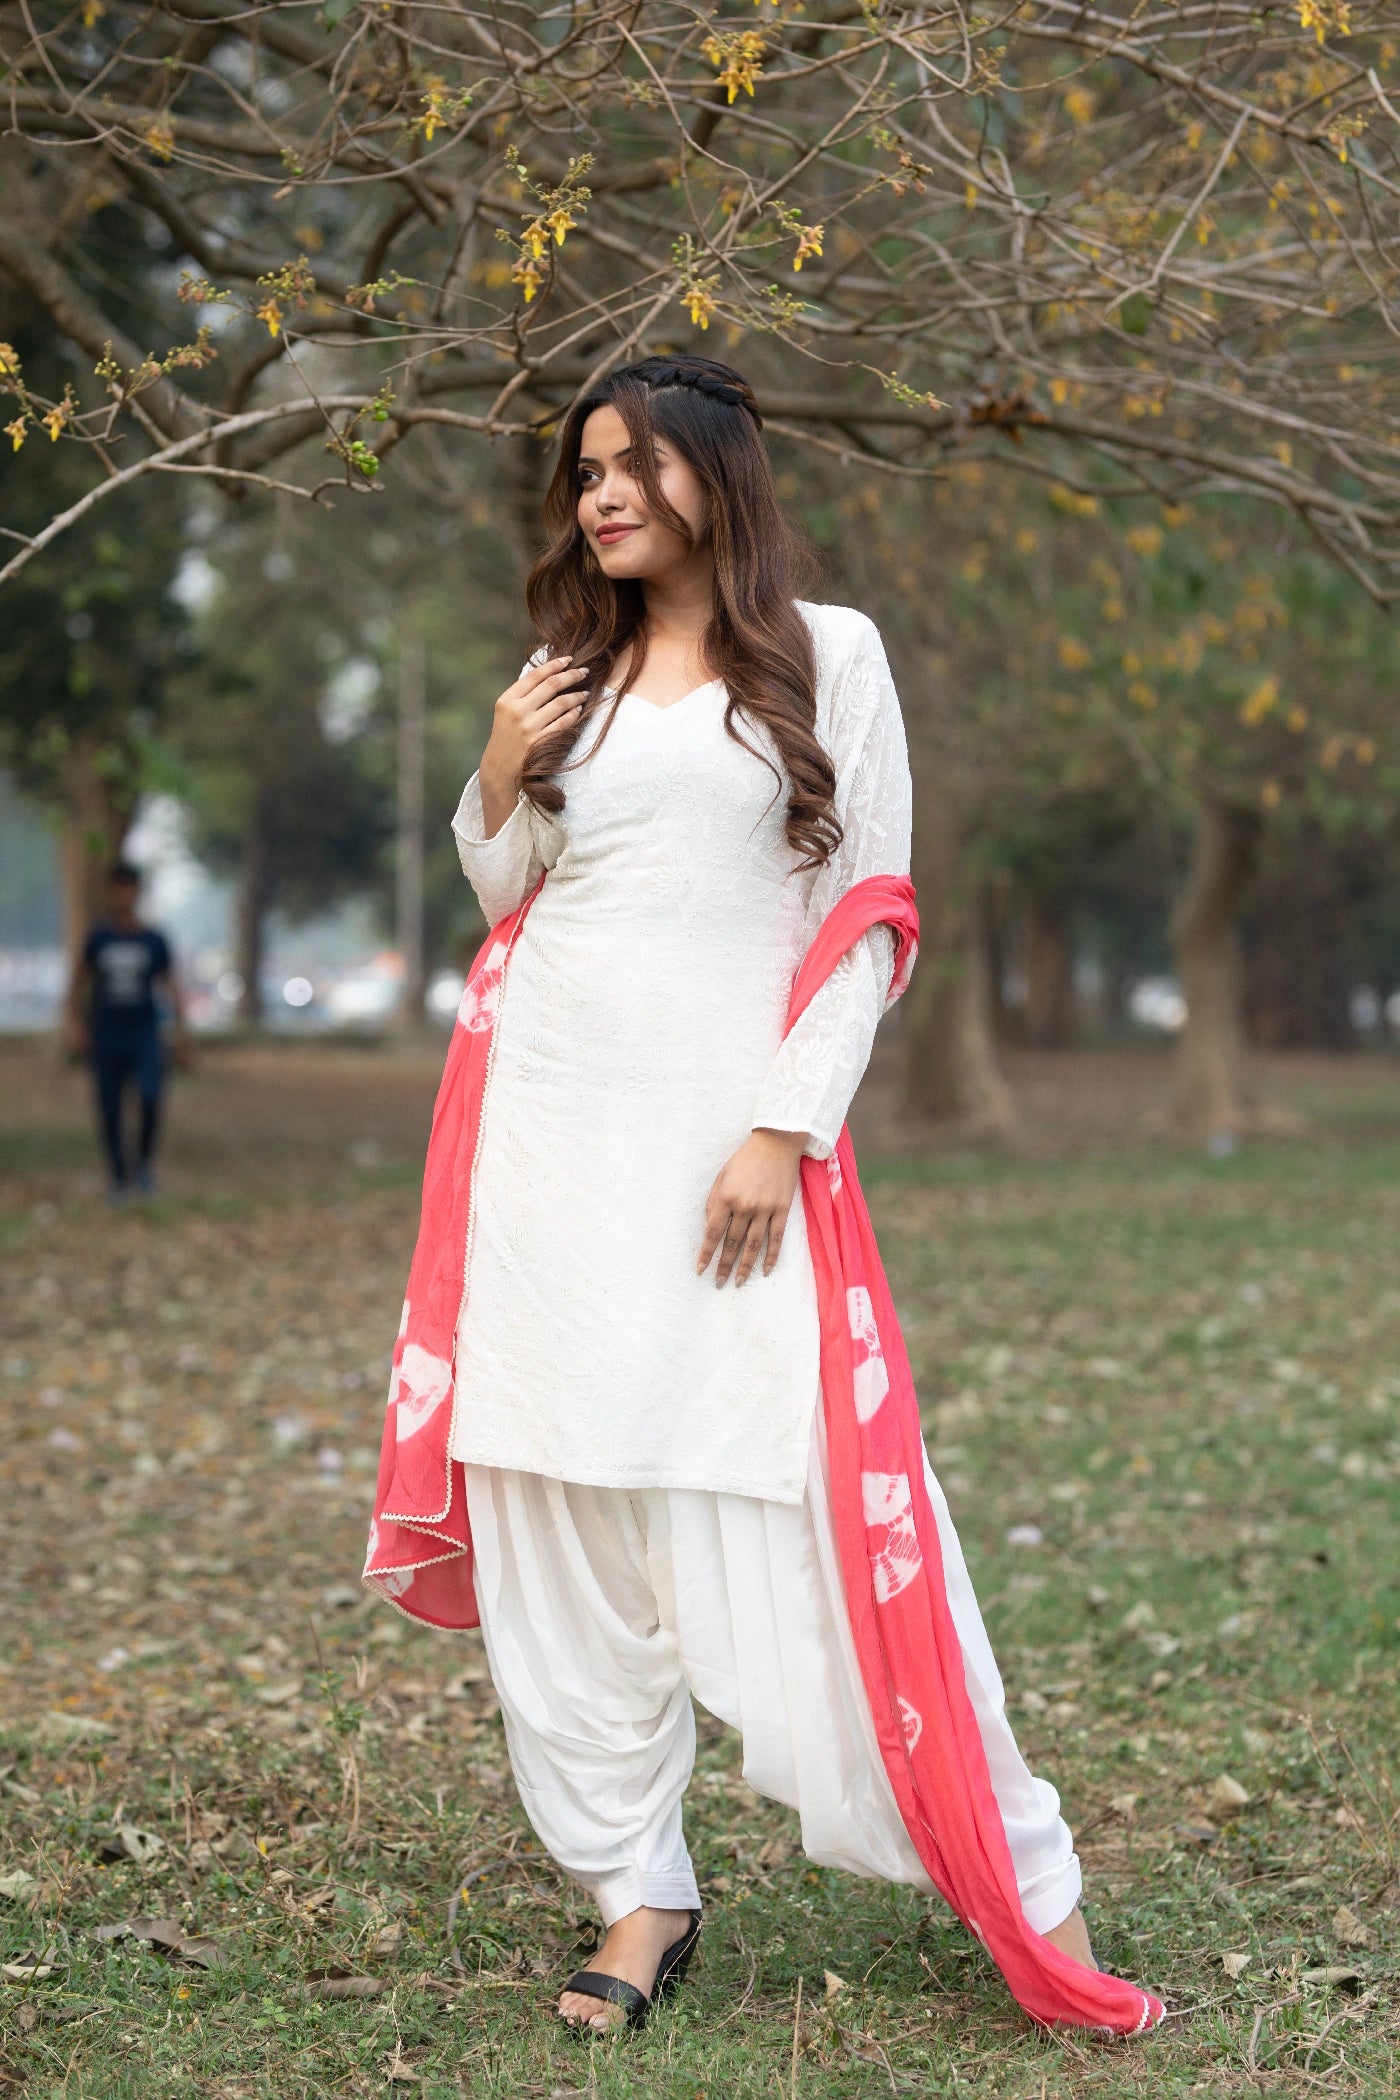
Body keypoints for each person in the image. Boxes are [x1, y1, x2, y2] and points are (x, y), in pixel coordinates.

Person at [365, 356, 1161, 2041]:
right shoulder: (561, 674)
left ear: (719, 475)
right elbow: (511, 895)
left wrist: (782, 1130)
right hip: (546, 1135)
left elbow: (871, 906)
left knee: (800, 1502)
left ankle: (1020, 1880)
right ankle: (638, 1893)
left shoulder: (828, 655)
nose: (604, 493)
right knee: (553, 1501)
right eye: (586, 469)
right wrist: (500, 768)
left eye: (638, 463)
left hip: (724, 1141)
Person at [65, 860, 187, 1198]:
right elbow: (79, 981)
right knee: (109, 1108)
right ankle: (119, 1177)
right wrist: (75, 1023)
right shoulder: (99, 937)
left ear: (138, 893)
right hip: (106, 1034)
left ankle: (144, 1166)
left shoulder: (154, 940)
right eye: (118, 888)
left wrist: (181, 1031)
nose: (124, 896)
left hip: (144, 1033)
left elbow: (171, 985)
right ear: (110, 893)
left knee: (150, 1096)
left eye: (130, 889)